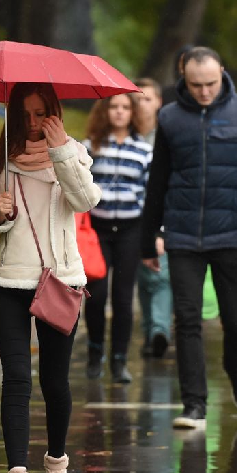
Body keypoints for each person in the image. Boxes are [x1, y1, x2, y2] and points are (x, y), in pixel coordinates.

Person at [0, 82, 101, 473]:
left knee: (55, 381)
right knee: (16, 380)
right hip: (10, 281)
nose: (32, 122)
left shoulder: (74, 153)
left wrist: (61, 149)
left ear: (55, 112)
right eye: (24, 113)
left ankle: (57, 465)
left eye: (41, 112)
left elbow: (85, 200)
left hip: (60, 281)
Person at [141, 47, 237, 429]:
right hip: (183, 235)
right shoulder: (169, 118)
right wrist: (148, 236)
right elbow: (158, 181)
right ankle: (194, 405)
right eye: (195, 84)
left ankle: (235, 368)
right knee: (186, 319)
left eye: (211, 83)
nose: (204, 92)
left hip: (234, 233)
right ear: (182, 79)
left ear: (222, 72)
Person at [83, 94, 154, 383]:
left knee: (124, 299)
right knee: (96, 295)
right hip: (97, 231)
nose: (120, 112)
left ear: (133, 113)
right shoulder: (90, 148)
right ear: (105, 110)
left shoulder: (144, 151)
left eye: (126, 107)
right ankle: (95, 353)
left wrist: (154, 234)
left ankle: (120, 360)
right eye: (114, 106)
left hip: (130, 231)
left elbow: (150, 196)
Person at [133, 77, 173, 358]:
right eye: (137, 99)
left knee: (159, 275)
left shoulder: (167, 136)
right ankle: (150, 330)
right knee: (141, 279)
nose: (141, 105)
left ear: (158, 102)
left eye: (147, 98)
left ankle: (159, 330)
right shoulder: (124, 136)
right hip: (129, 221)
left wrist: (161, 229)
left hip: (159, 219)